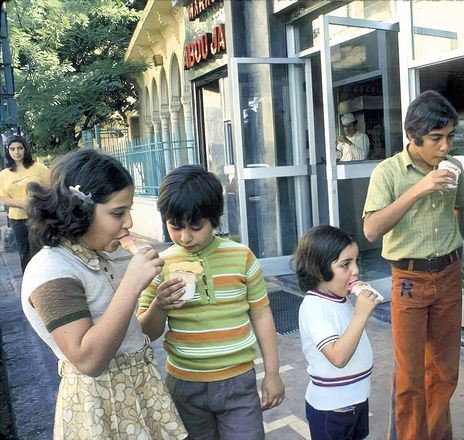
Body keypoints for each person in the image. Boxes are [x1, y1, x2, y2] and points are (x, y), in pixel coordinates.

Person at [20, 149, 187, 439]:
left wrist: (159, 305)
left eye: (129, 210)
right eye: (118, 213)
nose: (129, 223)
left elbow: (135, 335)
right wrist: (132, 284)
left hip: (143, 397)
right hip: (98, 408)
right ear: (79, 210)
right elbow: (89, 360)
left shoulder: (109, 256)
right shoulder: (51, 271)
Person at [137, 165, 285, 440]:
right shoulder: (159, 266)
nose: (185, 237)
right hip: (185, 385)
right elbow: (146, 331)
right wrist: (160, 305)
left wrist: (272, 372)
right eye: (175, 226)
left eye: (196, 226)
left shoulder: (241, 256)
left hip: (238, 383)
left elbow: (262, 315)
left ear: (214, 219)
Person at [362, 90, 464, 440]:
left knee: (444, 372)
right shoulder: (388, 172)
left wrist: (457, 251)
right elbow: (371, 229)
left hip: (449, 274)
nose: (445, 146)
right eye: (437, 138)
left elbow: (459, 207)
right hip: (409, 278)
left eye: (450, 136)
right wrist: (418, 189)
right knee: (410, 378)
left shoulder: (453, 167)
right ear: (412, 137)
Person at [293, 225, 381, 440]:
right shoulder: (314, 306)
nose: (356, 270)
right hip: (333, 410)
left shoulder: (340, 300)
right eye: (345, 265)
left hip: (355, 401)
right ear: (318, 268)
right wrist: (361, 314)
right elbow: (338, 356)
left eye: (356, 261)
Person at [0, 135, 49, 271]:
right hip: (17, 220)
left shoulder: (39, 168)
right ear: (8, 151)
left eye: (20, 148)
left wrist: (37, 202)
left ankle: (45, 280)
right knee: (25, 253)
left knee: (41, 252)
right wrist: (22, 204)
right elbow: (2, 197)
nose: (17, 152)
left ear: (25, 149)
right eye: (13, 149)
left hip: (38, 217)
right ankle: (30, 284)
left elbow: (50, 189)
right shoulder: (4, 174)